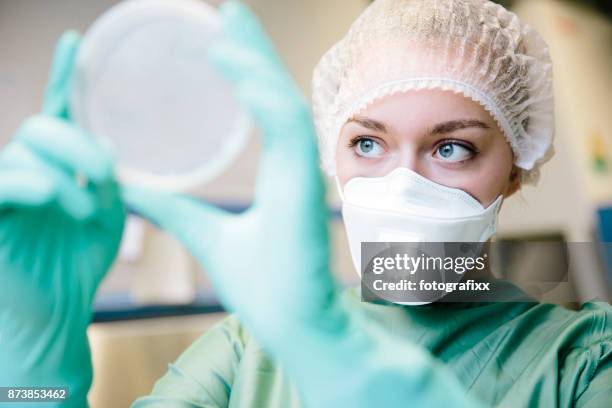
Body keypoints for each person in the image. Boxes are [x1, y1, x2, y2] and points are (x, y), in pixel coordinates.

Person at [0, 0, 610, 407]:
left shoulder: (582, 363)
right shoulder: (250, 347)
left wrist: (332, 353)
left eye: (451, 149)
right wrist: (31, 376)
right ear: (331, 156)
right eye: (367, 143)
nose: (402, 184)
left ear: (515, 169)